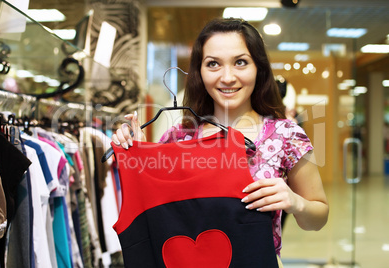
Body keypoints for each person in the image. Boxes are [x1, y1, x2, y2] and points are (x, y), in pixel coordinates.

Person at [112, 18, 329, 264]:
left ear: (258, 67)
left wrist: (296, 203)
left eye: (240, 62)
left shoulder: (286, 135)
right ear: (199, 71)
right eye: (213, 64)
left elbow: (319, 217)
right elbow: (160, 216)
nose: (227, 77)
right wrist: (141, 153)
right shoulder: (177, 137)